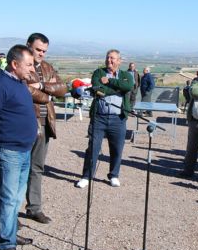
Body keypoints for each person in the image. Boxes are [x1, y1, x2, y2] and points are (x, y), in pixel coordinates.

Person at [0, 45, 38, 250]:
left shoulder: (19, 84)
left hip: (24, 150)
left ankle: (11, 233)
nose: (32, 68)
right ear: (15, 64)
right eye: (29, 64)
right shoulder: (0, 86)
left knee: (16, 197)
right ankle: (6, 244)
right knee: (8, 197)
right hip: (9, 150)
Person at [23, 33, 67, 224]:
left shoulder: (47, 68)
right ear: (28, 46)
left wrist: (41, 85)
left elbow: (63, 88)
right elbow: (25, 90)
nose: (41, 54)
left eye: (44, 51)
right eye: (38, 49)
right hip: (24, 123)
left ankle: (34, 208)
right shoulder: (20, 64)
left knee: (37, 167)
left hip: (44, 123)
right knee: (18, 169)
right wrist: (48, 95)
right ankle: (9, 211)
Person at [76, 49, 133, 188]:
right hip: (99, 117)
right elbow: (97, 89)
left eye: (113, 58)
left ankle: (114, 175)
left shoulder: (126, 75)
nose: (109, 60)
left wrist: (110, 82)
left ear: (119, 61)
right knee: (93, 147)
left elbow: (128, 86)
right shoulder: (98, 73)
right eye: (107, 58)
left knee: (117, 148)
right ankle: (86, 176)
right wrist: (118, 88)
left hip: (118, 118)